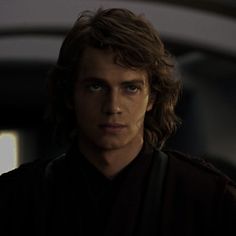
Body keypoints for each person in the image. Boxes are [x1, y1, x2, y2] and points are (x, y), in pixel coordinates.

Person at [0, 8, 235, 236]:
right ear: (71, 94)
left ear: (151, 98)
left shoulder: (206, 196)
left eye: (130, 88)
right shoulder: (18, 196)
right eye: (96, 86)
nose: (113, 107)